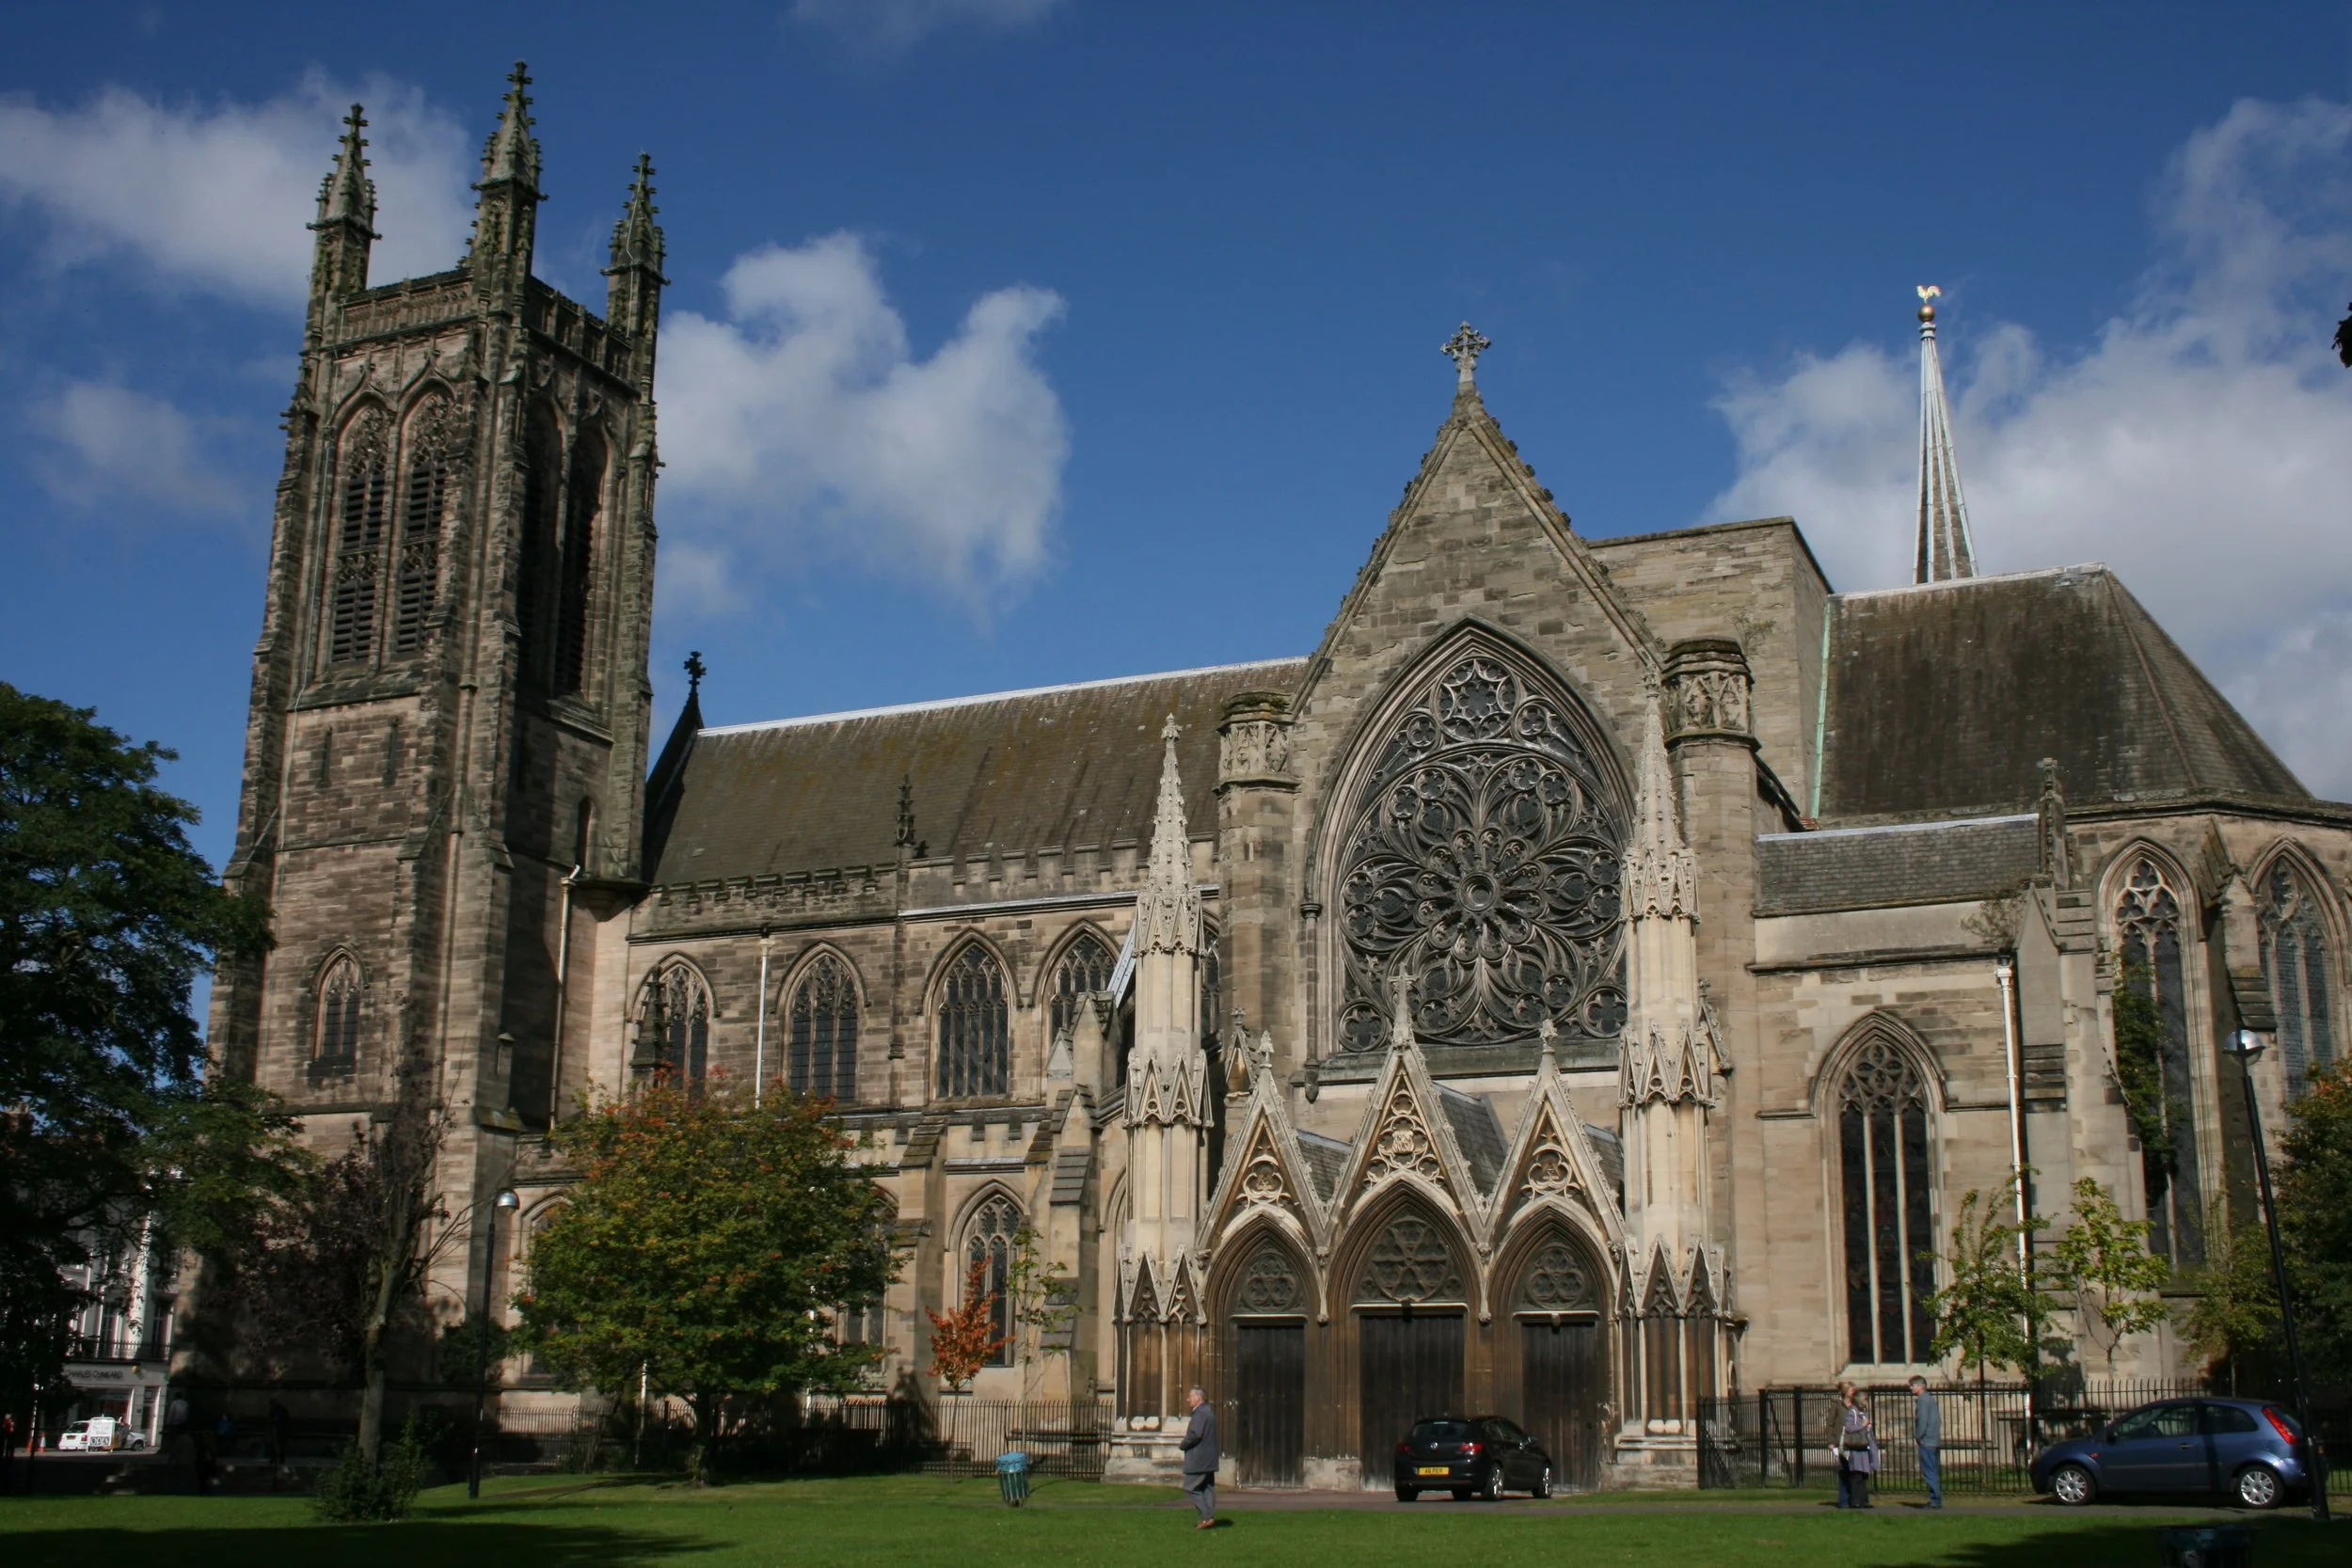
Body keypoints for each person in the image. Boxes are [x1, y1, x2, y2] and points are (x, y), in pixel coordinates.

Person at [1179, 1386, 1218, 1529]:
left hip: (1199, 1458)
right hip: (1209, 1458)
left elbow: (1195, 1434)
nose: (1188, 1399)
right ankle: (1207, 1518)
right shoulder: (1209, 1412)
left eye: (1191, 1396)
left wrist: (1183, 1444)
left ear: (1198, 1398)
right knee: (1206, 1488)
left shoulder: (1200, 1413)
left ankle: (1207, 1516)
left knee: (1190, 1487)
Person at [1834, 1383, 1877, 1510]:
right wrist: (1862, 1426)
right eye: (1865, 1400)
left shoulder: (1863, 1413)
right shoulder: (1852, 1412)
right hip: (1855, 1448)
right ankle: (1855, 1500)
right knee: (1856, 1475)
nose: (1866, 1402)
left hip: (1864, 1448)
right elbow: (1849, 1428)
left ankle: (1864, 1500)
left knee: (1863, 1475)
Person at [1909, 1375, 1942, 1510]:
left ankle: (1935, 1500)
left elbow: (1923, 1421)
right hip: (1934, 1439)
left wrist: (1918, 1436)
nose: (1910, 1388)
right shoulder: (1930, 1399)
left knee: (1929, 1471)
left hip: (1927, 1440)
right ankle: (1935, 1499)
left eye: (1912, 1385)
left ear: (1920, 1386)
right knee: (1933, 1469)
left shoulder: (1923, 1400)